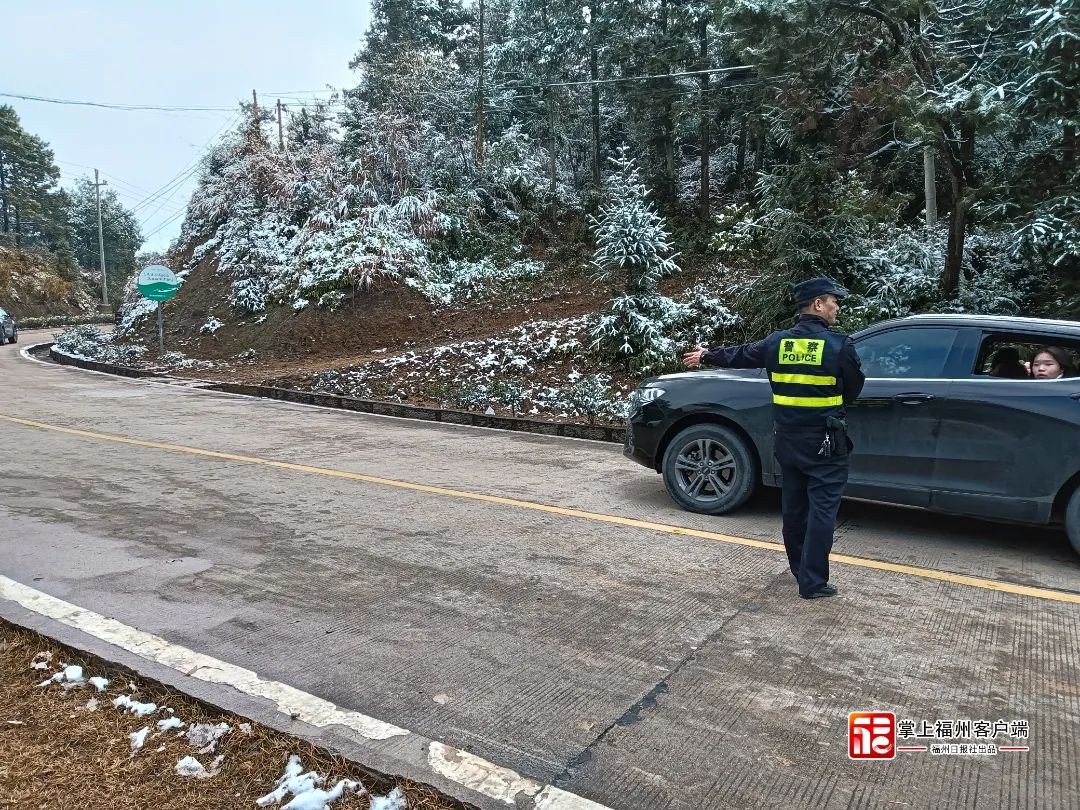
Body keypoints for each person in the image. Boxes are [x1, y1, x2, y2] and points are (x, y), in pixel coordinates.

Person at [683, 277, 865, 599]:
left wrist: (707, 355)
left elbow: (741, 354)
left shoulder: (778, 343)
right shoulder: (840, 346)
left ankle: (798, 569)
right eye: (833, 301)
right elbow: (854, 387)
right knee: (823, 510)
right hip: (825, 443)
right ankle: (812, 581)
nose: (837, 307)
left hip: (788, 441)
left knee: (794, 508)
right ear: (817, 305)